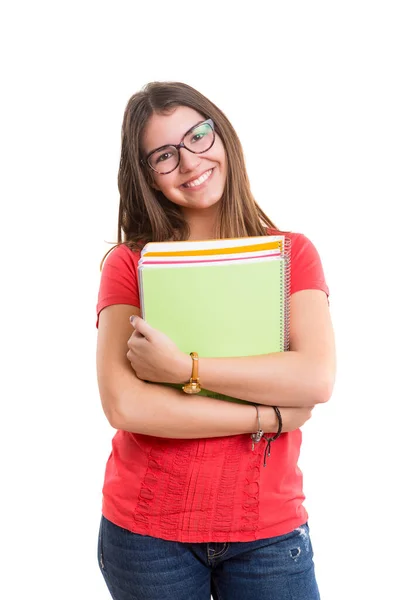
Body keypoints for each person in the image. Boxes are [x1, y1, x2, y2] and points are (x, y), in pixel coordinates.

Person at [95, 81, 336, 600]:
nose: (189, 162)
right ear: (148, 179)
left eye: (198, 136)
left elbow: (314, 376)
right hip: (146, 535)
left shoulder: (292, 254)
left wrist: (185, 370)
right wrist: (266, 416)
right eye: (164, 155)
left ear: (222, 136)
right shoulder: (129, 264)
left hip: (269, 533)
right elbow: (124, 404)